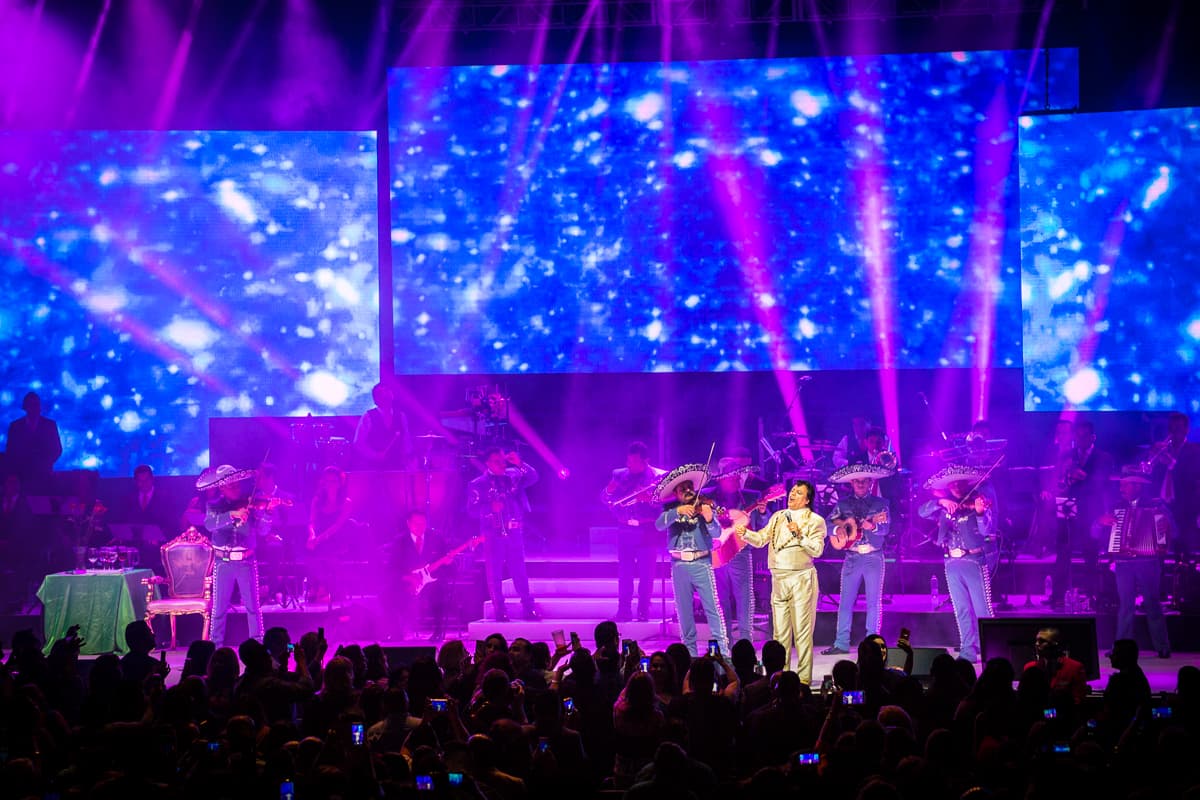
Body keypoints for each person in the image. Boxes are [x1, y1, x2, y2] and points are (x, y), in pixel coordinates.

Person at [734, 480, 826, 684]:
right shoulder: (778, 516)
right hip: (778, 578)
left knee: (802, 632)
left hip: (801, 578)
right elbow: (761, 539)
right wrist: (746, 534)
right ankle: (779, 677)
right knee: (780, 633)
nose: (792, 494)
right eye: (792, 490)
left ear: (807, 499)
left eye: (798, 492)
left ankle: (802, 681)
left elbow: (817, 550)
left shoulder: (815, 520)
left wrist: (799, 534)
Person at [918, 465, 996, 663]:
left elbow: (987, 531)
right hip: (951, 562)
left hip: (973, 561)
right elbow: (922, 512)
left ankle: (990, 648)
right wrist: (939, 501)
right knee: (960, 608)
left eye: (960, 483)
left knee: (982, 609)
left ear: (966, 484)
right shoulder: (944, 507)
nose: (957, 487)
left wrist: (979, 512)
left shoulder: (977, 503)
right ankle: (968, 649)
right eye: (952, 485)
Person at [1097, 465, 1172, 658]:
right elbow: (1095, 532)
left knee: (1152, 603)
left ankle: (1162, 646)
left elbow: (1172, 531)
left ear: (1138, 486)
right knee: (1125, 605)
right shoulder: (1116, 507)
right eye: (1121, 484)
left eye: (1126, 485)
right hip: (1124, 563)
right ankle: (1121, 648)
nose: (1122, 488)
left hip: (1149, 562)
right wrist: (1101, 522)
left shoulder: (1155, 505)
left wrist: (1165, 527)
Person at [654, 465, 728, 656]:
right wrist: (678, 511)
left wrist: (710, 518)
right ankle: (690, 655)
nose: (687, 491)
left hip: (701, 563)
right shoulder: (670, 510)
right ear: (677, 494)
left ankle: (723, 652)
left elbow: (717, 533)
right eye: (682, 489)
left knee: (712, 609)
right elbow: (659, 525)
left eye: (689, 487)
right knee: (684, 612)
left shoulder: (703, 506)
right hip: (679, 565)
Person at [823, 463, 893, 656]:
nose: (861, 484)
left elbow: (886, 527)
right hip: (852, 556)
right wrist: (839, 529)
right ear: (851, 483)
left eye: (864, 481)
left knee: (873, 601)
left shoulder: (881, 504)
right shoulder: (842, 504)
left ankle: (873, 644)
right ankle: (841, 643)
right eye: (857, 481)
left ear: (871, 482)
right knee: (845, 600)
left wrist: (873, 527)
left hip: (873, 555)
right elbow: (826, 525)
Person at [467, 446, 539, 621]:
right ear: (487, 463)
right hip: (493, 533)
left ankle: (528, 607)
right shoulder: (478, 484)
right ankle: (500, 609)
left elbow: (533, 477)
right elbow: (471, 510)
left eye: (502, 460)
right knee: (495, 572)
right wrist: (489, 508)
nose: (501, 464)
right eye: (496, 462)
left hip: (514, 530)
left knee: (519, 570)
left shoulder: (514, 474)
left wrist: (519, 462)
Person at [1050, 419, 1113, 609]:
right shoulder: (1067, 455)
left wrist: (1081, 476)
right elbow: (1057, 481)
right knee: (1063, 552)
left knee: (1090, 554)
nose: (1080, 440)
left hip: (1091, 511)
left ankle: (1092, 595)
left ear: (1092, 437)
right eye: (1077, 436)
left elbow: (1101, 483)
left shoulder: (1103, 457)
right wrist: (1065, 477)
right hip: (1068, 508)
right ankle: (1058, 596)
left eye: (1084, 436)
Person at [601, 441, 665, 622]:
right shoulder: (619, 475)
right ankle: (624, 610)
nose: (630, 465)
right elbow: (605, 499)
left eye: (635, 461)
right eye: (628, 461)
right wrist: (608, 491)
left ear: (646, 461)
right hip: (625, 530)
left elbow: (665, 504)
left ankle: (643, 609)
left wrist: (649, 500)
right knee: (625, 572)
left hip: (647, 531)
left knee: (646, 573)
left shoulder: (657, 477)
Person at [201, 464, 263, 645]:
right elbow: (210, 525)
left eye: (237, 485)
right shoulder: (214, 505)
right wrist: (232, 514)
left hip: (246, 561)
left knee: (252, 606)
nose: (236, 489)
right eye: (231, 486)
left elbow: (263, 530)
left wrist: (266, 515)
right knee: (219, 608)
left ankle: (257, 644)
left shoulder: (250, 503)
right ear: (221, 487)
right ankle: (216, 645)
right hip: (223, 562)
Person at [709, 456, 765, 645]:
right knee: (720, 598)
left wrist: (764, 513)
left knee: (744, 597)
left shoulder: (752, 497)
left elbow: (764, 525)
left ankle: (745, 642)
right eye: (731, 476)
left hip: (741, 553)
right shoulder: (708, 497)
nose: (735, 479)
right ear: (721, 478)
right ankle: (724, 641)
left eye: (737, 476)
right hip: (716, 553)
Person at [389, 509, 450, 640]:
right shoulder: (399, 541)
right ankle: (396, 632)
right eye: (416, 523)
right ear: (408, 523)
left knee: (438, 591)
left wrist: (448, 562)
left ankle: (438, 631)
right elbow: (392, 566)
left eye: (423, 523)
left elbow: (445, 560)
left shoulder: (436, 538)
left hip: (431, 581)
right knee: (387, 594)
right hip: (407, 582)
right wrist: (408, 577)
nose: (420, 526)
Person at [1149, 411, 1200, 558]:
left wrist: (1172, 464)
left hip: (1185, 504)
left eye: (1179, 428)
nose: (1175, 432)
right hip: (1161, 503)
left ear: (1186, 430)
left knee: (1183, 546)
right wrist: (1152, 457)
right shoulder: (1162, 449)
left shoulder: (1195, 450)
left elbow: (1193, 477)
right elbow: (1151, 475)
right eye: (1172, 428)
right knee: (1159, 543)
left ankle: (1184, 575)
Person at [110, 465, 173, 572]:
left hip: (157, 545)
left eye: (146, 480)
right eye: (140, 481)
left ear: (152, 479)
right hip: (133, 543)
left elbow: (171, 523)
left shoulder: (165, 498)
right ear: (135, 481)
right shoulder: (129, 498)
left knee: (149, 554)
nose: (143, 484)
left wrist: (158, 538)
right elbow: (124, 521)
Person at [3, 391, 62, 490]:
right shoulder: (15, 427)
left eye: (36, 405)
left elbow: (57, 449)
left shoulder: (50, 425)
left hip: (44, 476)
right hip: (22, 477)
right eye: (31, 405)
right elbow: (10, 451)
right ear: (25, 407)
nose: (34, 408)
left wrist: (44, 465)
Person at [1022, 627, 1089, 704]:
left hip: (1063, 714)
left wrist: (1048, 714)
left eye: (1042, 641)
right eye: (1036, 640)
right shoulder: (1029, 667)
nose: (1037, 644)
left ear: (1055, 644)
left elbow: (1078, 700)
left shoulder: (1075, 667)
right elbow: (1025, 699)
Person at [353, 382, 411, 469]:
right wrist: (374, 455)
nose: (386, 393)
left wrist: (408, 459)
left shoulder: (401, 416)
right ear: (376, 400)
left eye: (387, 390)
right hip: (374, 469)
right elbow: (358, 443)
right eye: (381, 392)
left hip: (396, 466)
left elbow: (406, 441)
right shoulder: (368, 416)